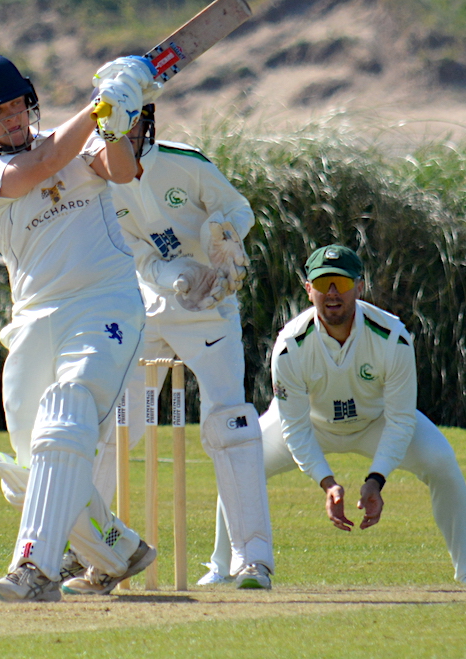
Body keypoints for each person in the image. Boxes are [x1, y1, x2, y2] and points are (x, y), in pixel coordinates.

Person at [0, 53, 162, 602]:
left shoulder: (77, 140)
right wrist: (99, 108)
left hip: (105, 305)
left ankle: (34, 570)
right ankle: (120, 550)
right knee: (30, 470)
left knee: (66, 420)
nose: (8, 122)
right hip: (33, 318)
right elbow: (40, 167)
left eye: (14, 108)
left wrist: (119, 122)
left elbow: (121, 170)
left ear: (30, 103)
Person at [202, 244, 466, 584]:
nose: (333, 293)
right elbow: (294, 425)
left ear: (359, 286)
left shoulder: (392, 337)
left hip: (375, 422)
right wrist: (327, 483)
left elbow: (400, 420)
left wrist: (375, 479)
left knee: (441, 462)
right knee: (242, 464)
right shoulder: (290, 345)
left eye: (341, 282)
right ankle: (221, 568)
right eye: (323, 284)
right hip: (312, 423)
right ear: (309, 290)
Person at [77, 104, 275, 591]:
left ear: (148, 124)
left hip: (211, 306)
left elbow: (240, 209)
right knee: (117, 425)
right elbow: (139, 255)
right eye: (111, 131)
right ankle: (88, 553)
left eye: (131, 127)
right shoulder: (99, 176)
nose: (121, 138)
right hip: (153, 310)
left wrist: (220, 238)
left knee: (229, 422)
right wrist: (176, 276)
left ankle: (255, 559)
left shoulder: (186, 163)